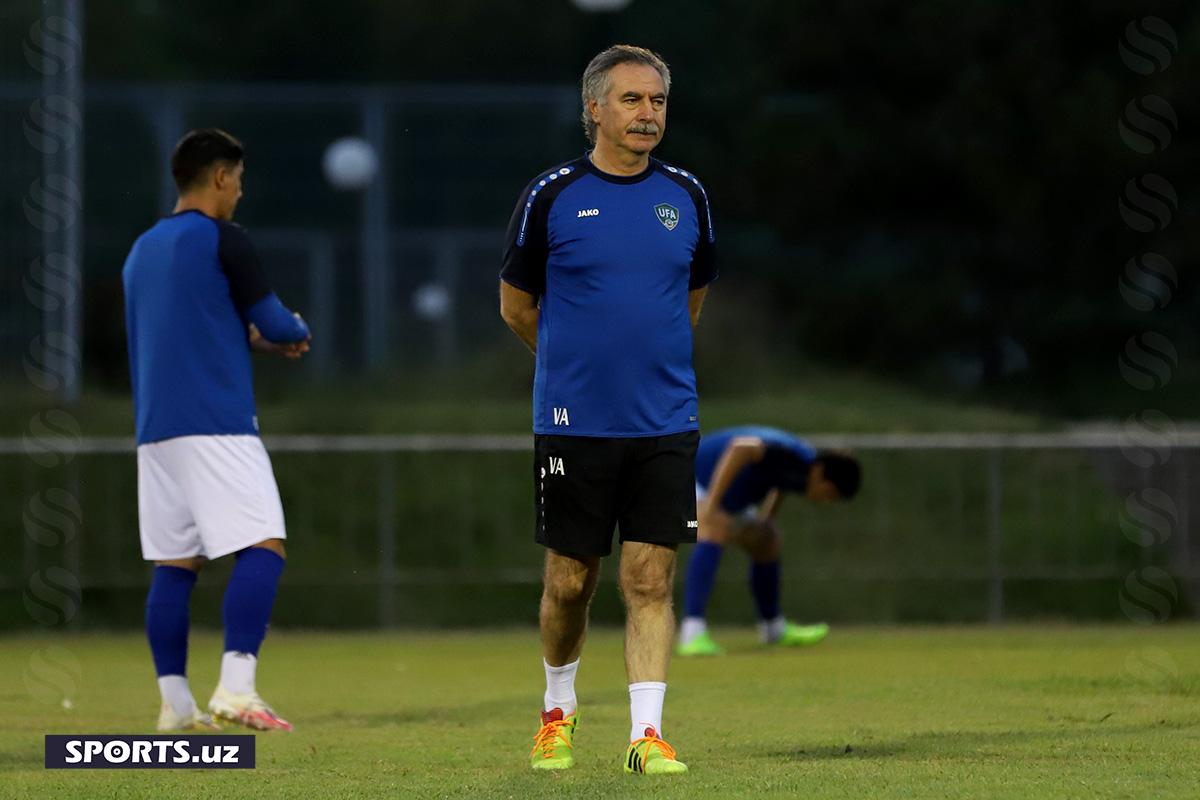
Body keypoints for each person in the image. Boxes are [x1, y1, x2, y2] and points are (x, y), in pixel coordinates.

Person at [499, 44, 716, 775]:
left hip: (666, 421)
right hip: (574, 424)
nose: (647, 113)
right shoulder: (552, 194)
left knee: (650, 580)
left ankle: (646, 737)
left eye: (657, 100)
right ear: (594, 108)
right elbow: (516, 306)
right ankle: (556, 713)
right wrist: (574, 366)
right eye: (631, 99)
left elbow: (690, 298)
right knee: (570, 583)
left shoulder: (687, 194)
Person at [122, 128, 311, 732]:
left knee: (176, 563)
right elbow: (275, 320)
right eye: (239, 181)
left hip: (156, 431)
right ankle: (237, 687)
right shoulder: (224, 238)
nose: (240, 194)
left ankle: (176, 706)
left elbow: (192, 329)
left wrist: (251, 341)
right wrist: (292, 331)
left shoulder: (142, 250)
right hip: (216, 425)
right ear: (222, 176)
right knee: (264, 545)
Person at [676, 426, 861, 656]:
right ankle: (692, 633)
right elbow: (739, 448)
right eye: (829, 493)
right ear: (820, 472)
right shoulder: (789, 454)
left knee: (767, 540)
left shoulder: (804, 473)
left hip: (731, 499)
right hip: (695, 475)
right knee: (716, 527)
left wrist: (766, 520)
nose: (826, 501)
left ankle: (773, 629)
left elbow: (780, 482)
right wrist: (711, 507)